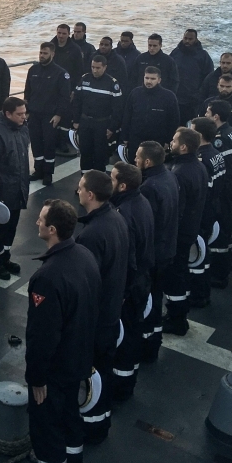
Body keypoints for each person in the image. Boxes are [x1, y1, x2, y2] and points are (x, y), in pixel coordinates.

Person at [25, 199, 100, 463]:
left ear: (52, 229)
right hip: (78, 363)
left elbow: (43, 336)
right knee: (71, 427)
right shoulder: (85, 255)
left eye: (41, 220)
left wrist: (37, 378)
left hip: (55, 375)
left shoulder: (47, 277)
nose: (36, 222)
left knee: (48, 437)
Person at [75, 170, 129, 444]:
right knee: (104, 369)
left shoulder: (92, 235)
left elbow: (87, 283)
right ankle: (101, 419)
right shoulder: (116, 218)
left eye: (81, 187)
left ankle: (91, 427)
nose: (78, 190)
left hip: (96, 319)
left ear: (91, 194)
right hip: (110, 312)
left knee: (92, 374)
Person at [110, 162, 154, 400]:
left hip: (131, 286)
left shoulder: (124, 214)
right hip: (142, 281)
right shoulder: (141, 202)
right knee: (134, 332)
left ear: (122, 185)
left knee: (124, 338)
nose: (110, 182)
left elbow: (129, 258)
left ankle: (121, 388)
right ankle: (128, 378)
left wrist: (122, 291)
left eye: (113, 179)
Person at [137, 141, 179, 361]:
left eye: (137, 157)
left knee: (149, 302)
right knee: (157, 295)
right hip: (168, 249)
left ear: (147, 161)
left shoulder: (149, 187)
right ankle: (154, 341)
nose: (134, 160)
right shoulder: (170, 176)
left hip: (155, 255)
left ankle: (147, 346)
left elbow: (147, 225)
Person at [164, 127, 209, 336]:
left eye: (174, 141)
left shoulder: (180, 174)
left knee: (175, 277)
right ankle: (178, 314)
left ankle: (177, 318)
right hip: (191, 229)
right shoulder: (198, 167)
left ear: (183, 146)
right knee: (181, 273)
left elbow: (176, 211)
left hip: (179, 234)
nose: (171, 143)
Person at [0, 97, 31, 279]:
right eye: (19, 114)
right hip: (4, 189)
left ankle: (4, 257)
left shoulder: (22, 128)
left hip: (18, 186)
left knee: (11, 226)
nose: (24, 117)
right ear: (7, 114)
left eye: (24, 113)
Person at [187, 118, 225, 309]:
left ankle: (197, 295)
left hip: (202, 213)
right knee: (205, 253)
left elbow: (202, 192)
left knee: (197, 254)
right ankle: (203, 292)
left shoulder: (202, 160)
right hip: (214, 209)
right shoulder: (217, 155)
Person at [204, 101, 232, 288]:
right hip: (231, 184)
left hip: (222, 189)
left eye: (207, 112)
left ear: (215, 117)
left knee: (220, 230)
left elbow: (217, 163)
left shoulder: (220, 139)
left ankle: (218, 274)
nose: (205, 114)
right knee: (226, 229)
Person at [24, 42, 72, 186]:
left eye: (45, 53)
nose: (42, 56)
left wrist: (58, 115)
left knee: (49, 144)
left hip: (50, 116)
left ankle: (48, 173)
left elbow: (65, 97)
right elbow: (27, 91)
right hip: (34, 114)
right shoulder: (33, 70)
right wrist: (26, 111)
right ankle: (38, 170)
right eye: (40, 53)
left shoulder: (61, 73)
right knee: (36, 143)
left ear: (52, 54)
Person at [71, 55, 124, 173]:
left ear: (105, 67)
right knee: (85, 151)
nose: (95, 70)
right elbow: (77, 101)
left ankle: (99, 183)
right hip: (85, 122)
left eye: (98, 68)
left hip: (102, 123)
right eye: (93, 67)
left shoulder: (112, 83)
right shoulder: (85, 79)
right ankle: (85, 181)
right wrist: (75, 120)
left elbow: (118, 109)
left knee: (100, 153)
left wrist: (112, 128)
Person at [121, 66, 179, 162]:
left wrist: (168, 141)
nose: (149, 81)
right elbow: (127, 116)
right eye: (146, 78)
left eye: (153, 79)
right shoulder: (135, 93)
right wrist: (125, 137)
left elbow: (174, 121)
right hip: (136, 140)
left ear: (159, 80)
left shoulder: (169, 97)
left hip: (157, 141)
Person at [169, 29, 213, 121]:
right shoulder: (175, 53)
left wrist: (199, 95)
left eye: (190, 39)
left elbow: (209, 78)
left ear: (196, 39)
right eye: (185, 38)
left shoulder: (203, 56)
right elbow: (167, 72)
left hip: (192, 101)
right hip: (175, 97)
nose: (187, 41)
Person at [129, 34, 179, 100]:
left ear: (160, 45)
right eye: (150, 45)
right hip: (141, 95)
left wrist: (169, 96)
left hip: (161, 97)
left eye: (155, 46)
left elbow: (174, 81)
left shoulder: (168, 61)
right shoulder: (140, 58)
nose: (152, 48)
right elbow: (133, 78)